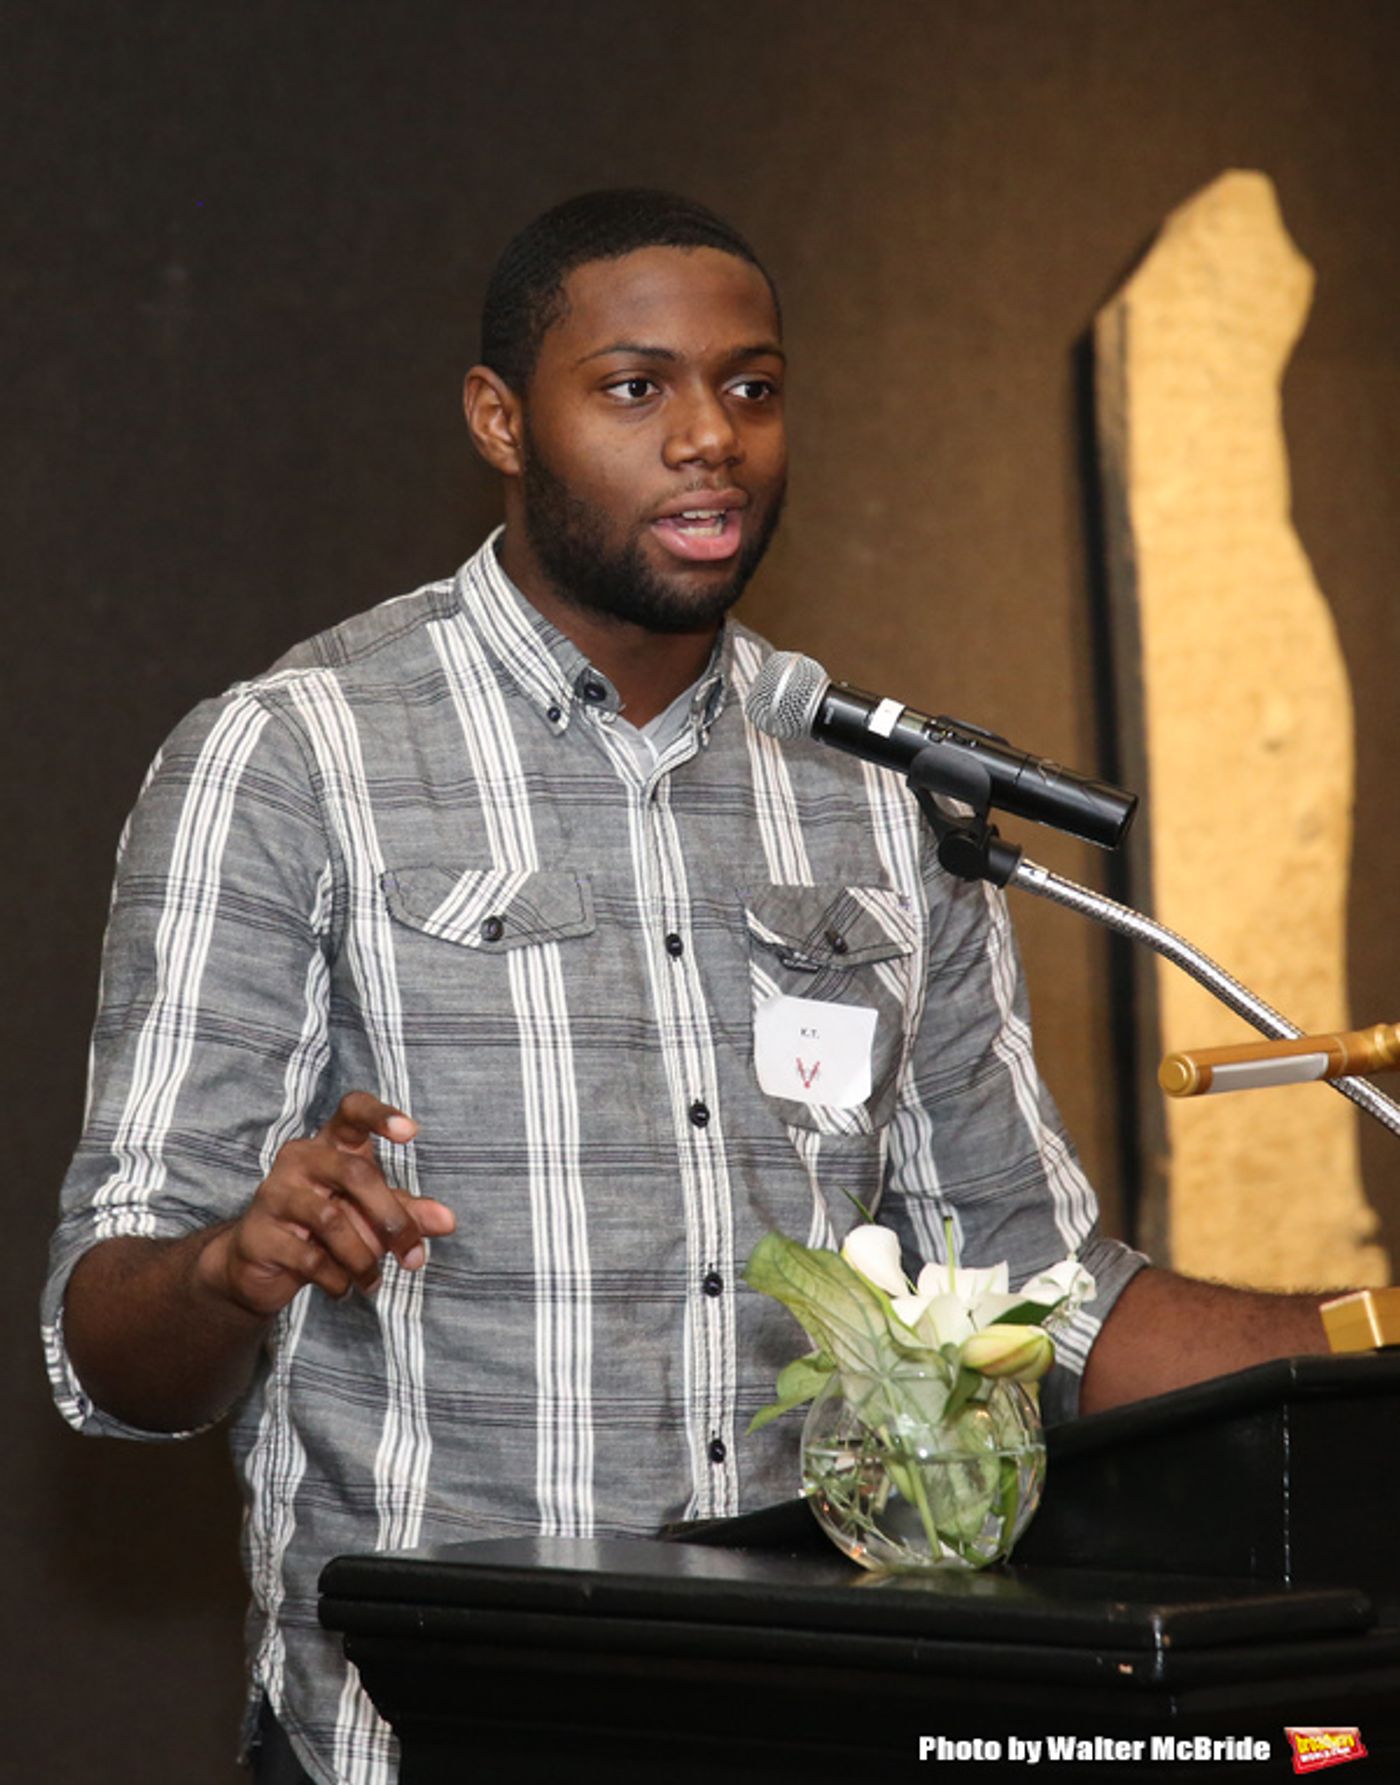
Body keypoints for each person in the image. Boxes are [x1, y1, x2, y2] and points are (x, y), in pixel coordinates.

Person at [42, 189, 1338, 1785]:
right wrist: (235, 1266)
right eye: (637, 387)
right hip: (425, 1742)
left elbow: (1033, 1290)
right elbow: (104, 1350)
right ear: (501, 419)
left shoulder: (876, 796)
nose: (710, 436)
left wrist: (1359, 1342)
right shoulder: (292, 755)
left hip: (795, 1722)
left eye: (754, 386)